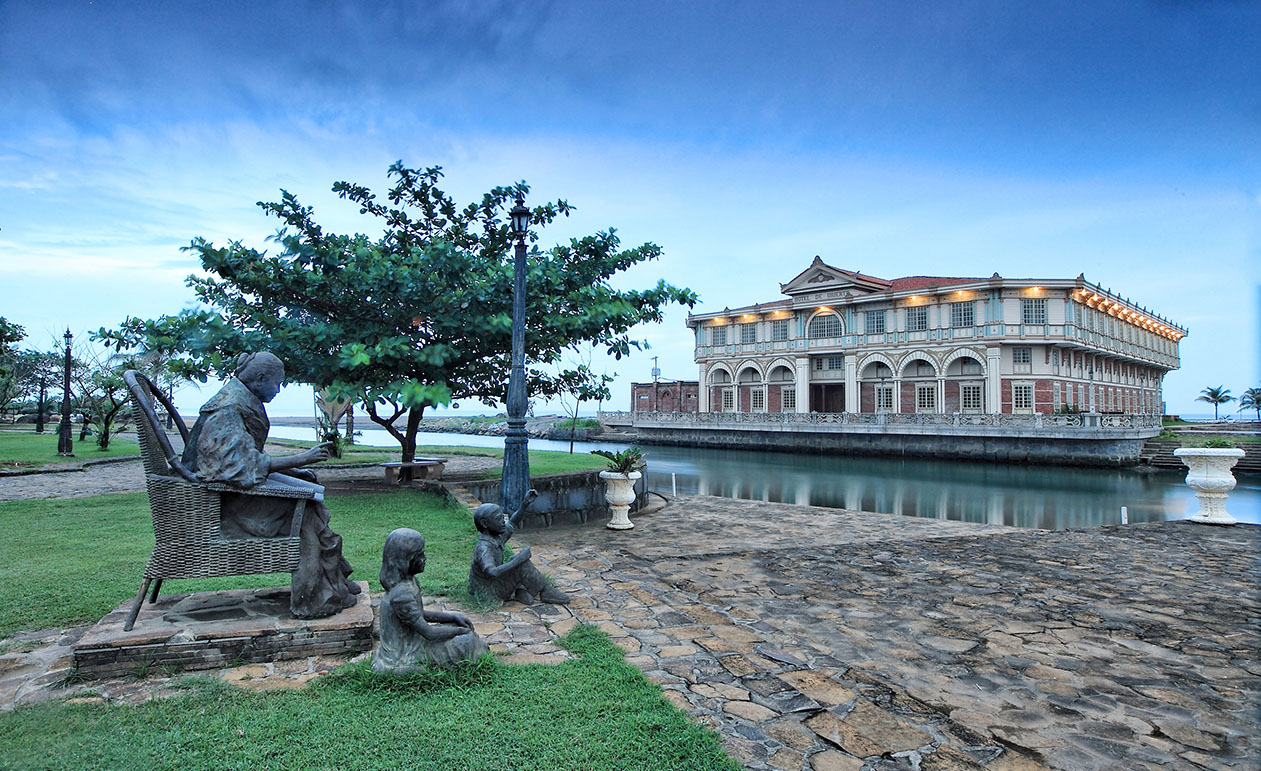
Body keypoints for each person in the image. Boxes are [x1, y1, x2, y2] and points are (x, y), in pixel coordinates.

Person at [181, 352, 359, 619]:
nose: (277, 391)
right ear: (260, 379)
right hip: (221, 505)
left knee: (309, 496)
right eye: (277, 384)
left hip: (233, 492)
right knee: (305, 516)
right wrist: (301, 457)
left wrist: (295, 469)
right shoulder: (228, 408)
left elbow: (248, 455)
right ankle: (313, 599)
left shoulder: (241, 399)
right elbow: (236, 465)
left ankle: (335, 582)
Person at [373, 528, 487, 672]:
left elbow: (420, 615)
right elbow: (429, 633)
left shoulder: (411, 582)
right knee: (465, 641)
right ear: (406, 560)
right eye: (420, 555)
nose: (425, 558)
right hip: (404, 654)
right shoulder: (401, 595)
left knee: (458, 631)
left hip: (415, 640)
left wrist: (452, 617)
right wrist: (459, 631)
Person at [468, 490, 570, 605]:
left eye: (503, 517)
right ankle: (545, 591)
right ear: (484, 524)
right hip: (488, 593)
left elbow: (512, 523)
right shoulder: (484, 547)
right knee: (520, 564)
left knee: (514, 561)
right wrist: (519, 560)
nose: (503, 521)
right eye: (498, 518)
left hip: (492, 585)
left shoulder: (496, 537)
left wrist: (524, 504)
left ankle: (518, 590)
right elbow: (492, 572)